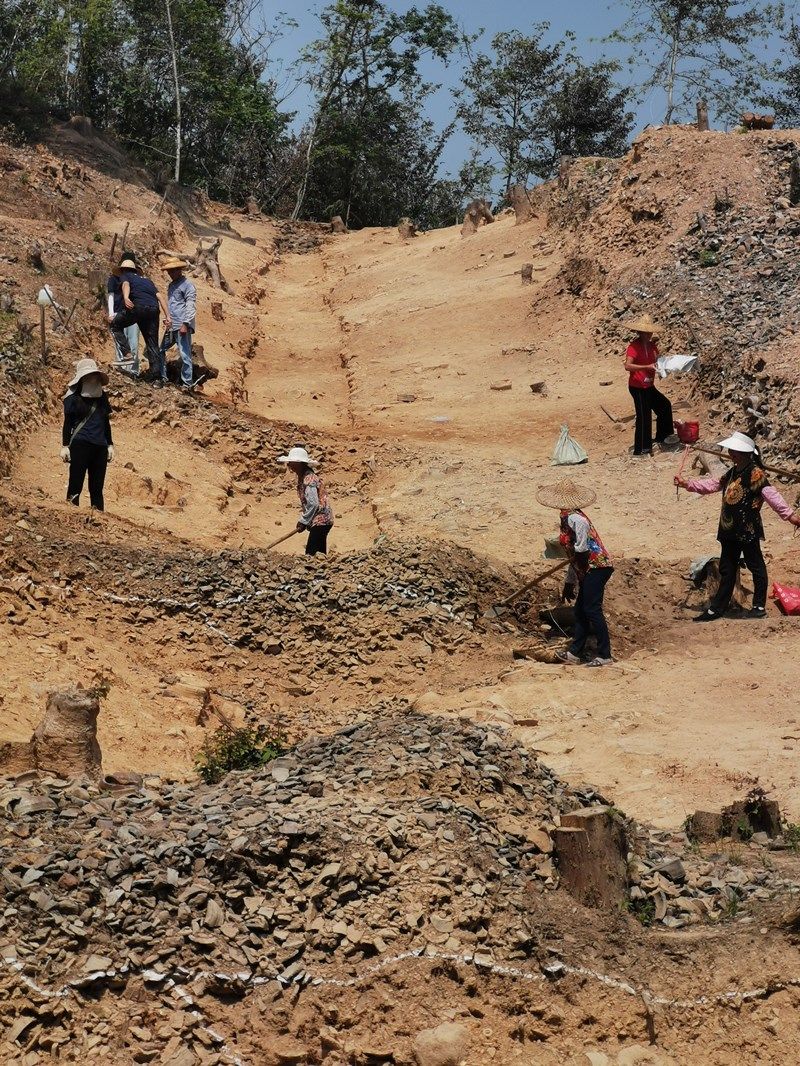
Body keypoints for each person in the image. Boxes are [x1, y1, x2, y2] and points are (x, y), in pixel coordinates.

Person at [675, 431, 800, 621]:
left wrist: (790, 516)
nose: (731, 453)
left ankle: (758, 606)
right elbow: (714, 485)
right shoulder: (733, 472)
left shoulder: (755, 473)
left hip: (747, 529)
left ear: (742, 453)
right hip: (729, 529)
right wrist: (688, 484)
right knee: (727, 568)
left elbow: (771, 496)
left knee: (755, 565)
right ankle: (717, 608)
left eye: (734, 450)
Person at [537, 477, 614, 667]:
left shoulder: (576, 519)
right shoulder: (566, 518)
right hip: (586, 569)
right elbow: (573, 554)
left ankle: (605, 655)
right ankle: (575, 653)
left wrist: (580, 572)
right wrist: (570, 582)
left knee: (591, 609)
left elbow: (581, 549)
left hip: (597, 567)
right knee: (580, 610)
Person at [61, 358, 114, 511]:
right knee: (75, 485)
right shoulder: (72, 398)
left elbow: (105, 422)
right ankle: (70, 516)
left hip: (100, 447)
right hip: (80, 445)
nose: (92, 379)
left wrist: (110, 444)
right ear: (82, 378)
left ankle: (98, 522)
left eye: (94, 376)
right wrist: (65, 446)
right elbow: (68, 423)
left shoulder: (102, 397)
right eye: (89, 376)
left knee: (97, 489)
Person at [109, 259, 170, 386]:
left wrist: (126, 297)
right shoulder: (148, 281)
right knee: (152, 342)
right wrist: (168, 316)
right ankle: (156, 378)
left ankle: (127, 354)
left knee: (115, 325)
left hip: (138, 307)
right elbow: (160, 297)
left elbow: (126, 285)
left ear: (123, 270)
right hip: (153, 310)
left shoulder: (125, 275)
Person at [624, 313, 675, 456]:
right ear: (640, 332)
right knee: (644, 416)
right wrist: (646, 367)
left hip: (649, 386)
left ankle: (663, 437)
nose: (649, 334)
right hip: (638, 387)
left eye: (650, 332)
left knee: (664, 405)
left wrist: (663, 367)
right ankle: (642, 449)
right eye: (646, 332)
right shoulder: (634, 346)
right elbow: (628, 366)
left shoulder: (653, 346)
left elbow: (657, 361)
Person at [277, 446, 334, 555]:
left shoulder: (309, 478)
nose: (288, 464)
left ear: (298, 464)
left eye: (291, 462)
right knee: (319, 555)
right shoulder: (303, 476)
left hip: (321, 521)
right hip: (322, 521)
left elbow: (313, 504)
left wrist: (303, 521)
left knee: (311, 554)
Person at [159, 257, 196, 389]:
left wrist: (186, 323)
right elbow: (173, 305)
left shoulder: (187, 285)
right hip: (172, 325)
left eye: (173, 271)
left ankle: (187, 383)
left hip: (181, 324)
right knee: (161, 349)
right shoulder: (171, 285)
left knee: (185, 354)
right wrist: (168, 318)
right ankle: (163, 377)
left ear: (179, 270)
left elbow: (190, 306)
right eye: (169, 271)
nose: (170, 273)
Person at [107, 252, 140, 376]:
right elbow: (110, 295)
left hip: (132, 314)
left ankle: (133, 371)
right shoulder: (114, 279)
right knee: (121, 342)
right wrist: (111, 313)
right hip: (118, 313)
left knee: (133, 342)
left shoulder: (134, 280)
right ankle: (122, 369)